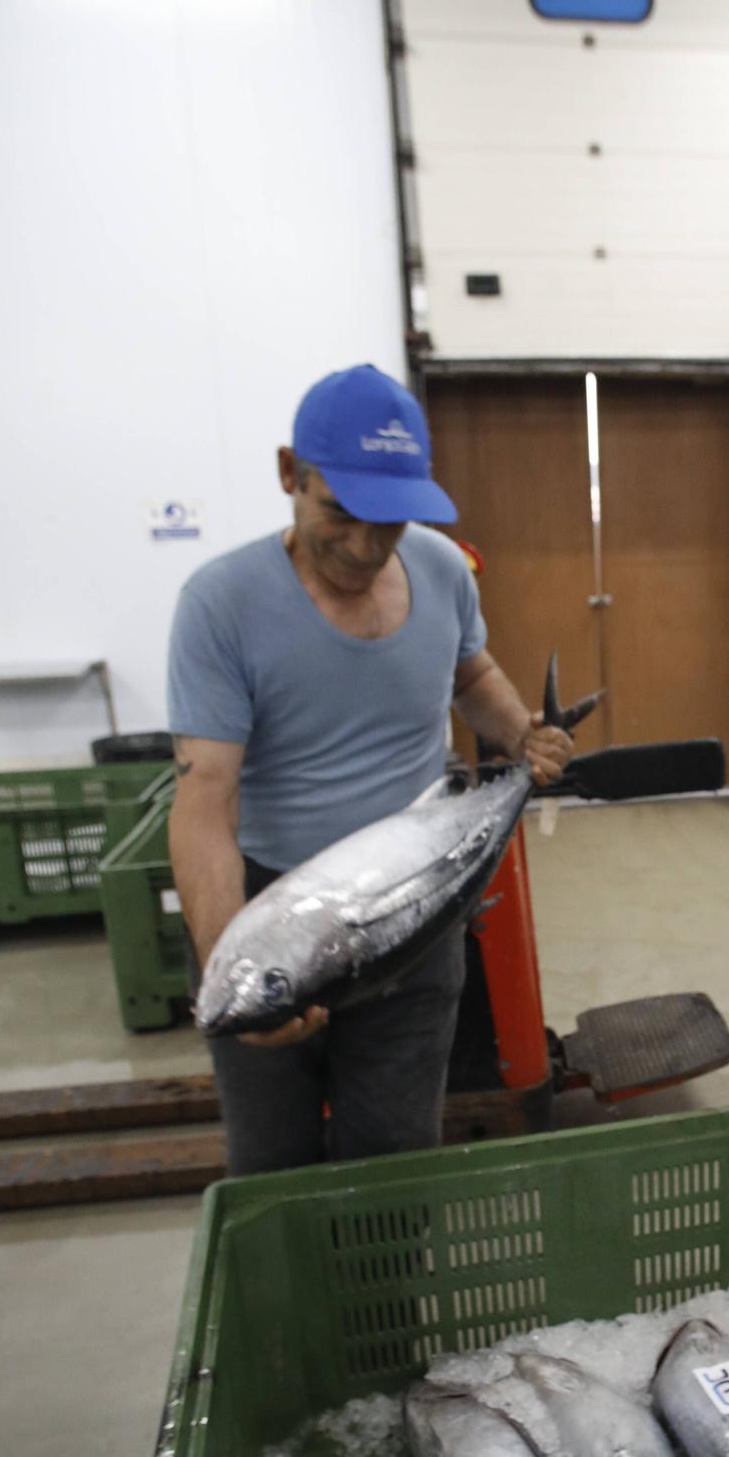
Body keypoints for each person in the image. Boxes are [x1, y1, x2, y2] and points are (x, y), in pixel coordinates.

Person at [167, 362, 572, 1175]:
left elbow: (470, 674)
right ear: (290, 474)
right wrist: (235, 970)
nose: (363, 545)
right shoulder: (222, 603)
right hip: (276, 911)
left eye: (387, 521)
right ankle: (295, 1303)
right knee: (272, 1159)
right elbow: (205, 801)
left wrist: (521, 733)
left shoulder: (441, 570)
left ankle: (385, 1302)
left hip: (417, 916)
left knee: (395, 1151)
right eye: (340, 513)